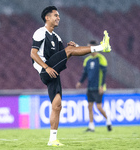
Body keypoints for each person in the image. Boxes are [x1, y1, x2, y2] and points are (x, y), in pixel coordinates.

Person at [30, 6, 111, 146]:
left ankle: (52, 139)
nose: (58, 18)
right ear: (47, 18)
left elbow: (66, 55)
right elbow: (33, 53)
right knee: (69, 50)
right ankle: (102, 47)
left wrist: (74, 46)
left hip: (53, 72)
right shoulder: (40, 32)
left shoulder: (56, 37)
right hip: (45, 69)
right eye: (55, 15)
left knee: (57, 105)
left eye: (59, 15)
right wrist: (46, 67)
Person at [76, 40, 112, 132]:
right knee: (89, 106)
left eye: (90, 47)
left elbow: (104, 74)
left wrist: (101, 86)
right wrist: (80, 82)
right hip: (90, 87)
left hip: (98, 87)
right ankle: (91, 126)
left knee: (99, 107)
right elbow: (85, 73)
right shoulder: (87, 60)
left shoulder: (101, 59)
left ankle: (108, 120)